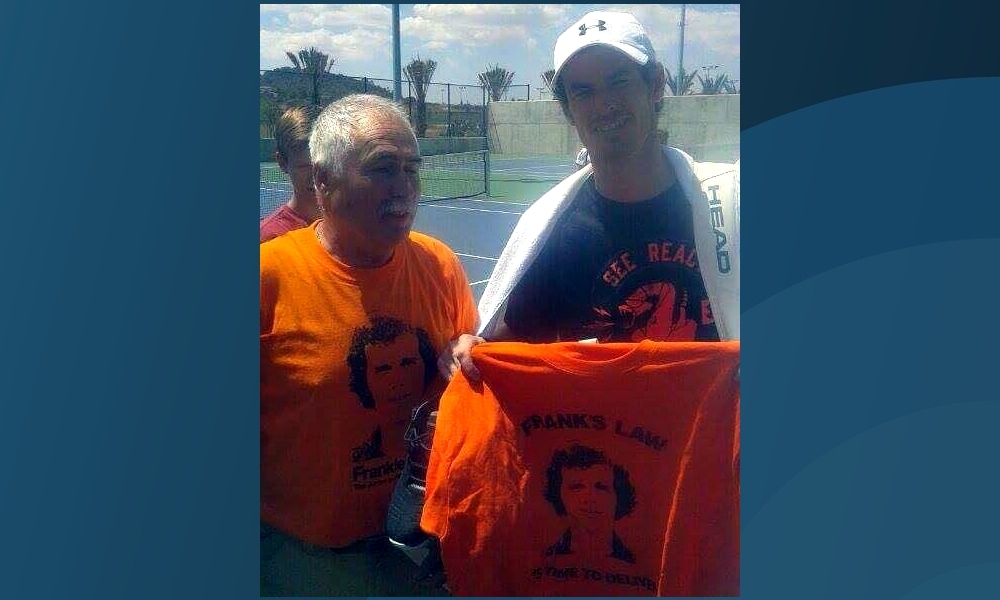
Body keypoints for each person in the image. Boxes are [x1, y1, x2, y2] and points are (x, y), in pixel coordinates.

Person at [441, 10, 741, 378]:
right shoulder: (553, 231)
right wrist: (474, 349)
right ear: (568, 109)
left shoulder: (731, 205)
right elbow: (514, 340)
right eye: (583, 91)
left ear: (656, 84)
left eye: (619, 81)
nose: (603, 104)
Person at [260, 93, 478, 596]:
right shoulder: (269, 276)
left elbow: (466, 372)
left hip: (421, 545)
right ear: (323, 180)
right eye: (382, 168)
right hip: (310, 561)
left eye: (411, 168)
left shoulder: (439, 265)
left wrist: (468, 347)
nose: (404, 187)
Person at [543, 444, 636, 564]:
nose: (590, 498)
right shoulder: (544, 557)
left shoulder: (633, 562)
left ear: (619, 495)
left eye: (601, 487)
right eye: (577, 487)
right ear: (558, 493)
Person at [260, 105, 322, 242]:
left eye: (326, 164)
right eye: (305, 166)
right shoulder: (268, 238)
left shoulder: (353, 223)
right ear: (283, 163)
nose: (318, 176)